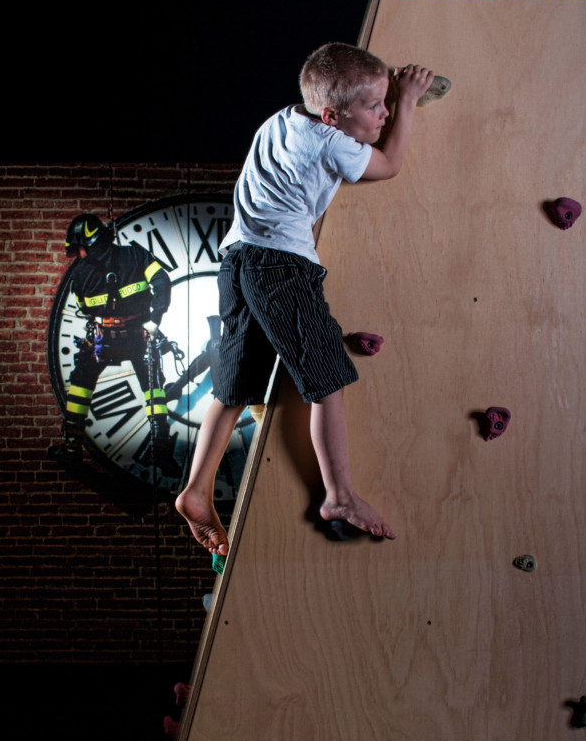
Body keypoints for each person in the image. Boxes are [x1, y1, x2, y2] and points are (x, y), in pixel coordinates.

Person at [175, 42, 434, 556]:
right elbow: (389, 165)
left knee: (234, 385)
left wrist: (382, 95)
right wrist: (409, 101)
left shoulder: (282, 120)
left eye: (386, 102)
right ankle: (339, 495)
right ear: (333, 115)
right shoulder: (330, 141)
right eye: (375, 105)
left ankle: (196, 489)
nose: (383, 112)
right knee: (326, 376)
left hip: (238, 259)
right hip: (281, 266)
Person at [51, 213, 179, 476]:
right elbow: (162, 281)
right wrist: (153, 320)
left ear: (90, 244)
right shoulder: (135, 255)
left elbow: (84, 307)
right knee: (153, 383)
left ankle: (72, 447)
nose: (81, 255)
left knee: (81, 382)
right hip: (140, 335)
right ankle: (161, 450)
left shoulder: (80, 275)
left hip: (102, 339)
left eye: (82, 249)